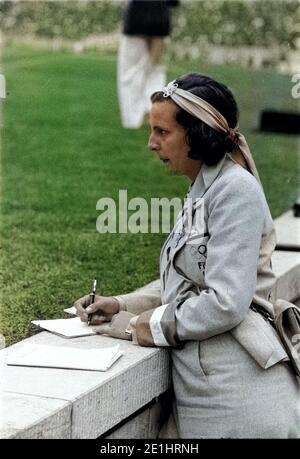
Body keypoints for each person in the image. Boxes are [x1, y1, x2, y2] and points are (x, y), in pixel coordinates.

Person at [74, 73, 300, 438]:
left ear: (197, 134)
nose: (151, 144)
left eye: (162, 132)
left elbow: (225, 302)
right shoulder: (203, 191)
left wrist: (137, 327)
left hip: (242, 402)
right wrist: (120, 304)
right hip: (205, 398)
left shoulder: (235, 191)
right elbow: (187, 289)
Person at [118, 0, 179, 129]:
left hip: (136, 20)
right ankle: (153, 112)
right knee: (156, 70)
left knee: (130, 72)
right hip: (160, 20)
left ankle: (133, 118)